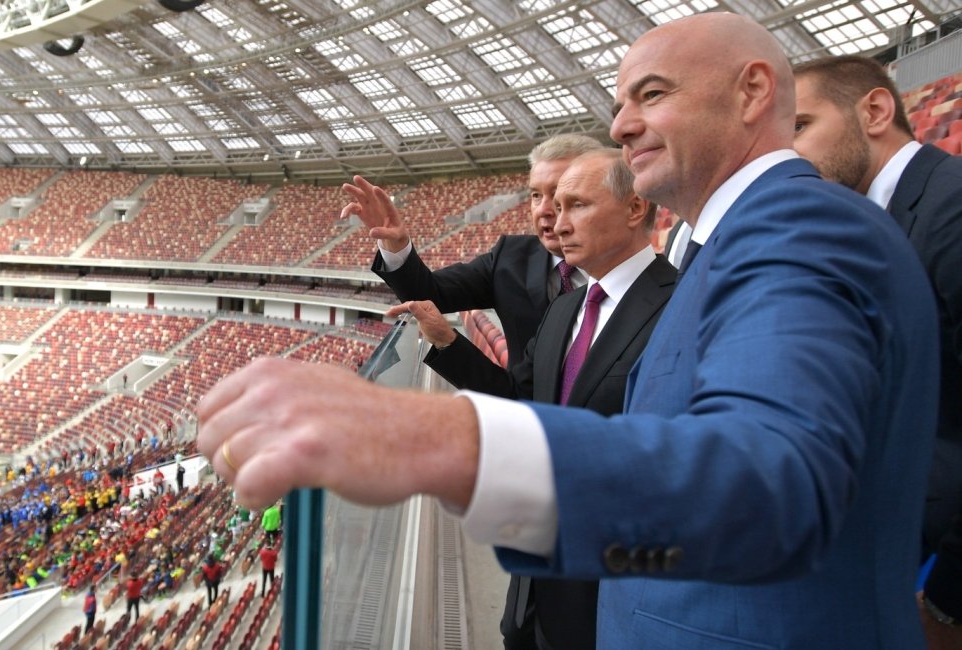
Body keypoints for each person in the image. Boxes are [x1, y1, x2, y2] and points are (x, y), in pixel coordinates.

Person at [196, 12, 938, 649]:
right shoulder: (732, 243)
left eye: (652, 94)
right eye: (619, 104)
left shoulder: (798, 223)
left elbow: (776, 485)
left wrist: (442, 438)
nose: (620, 125)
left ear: (752, 91)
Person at [387, 148, 674, 650]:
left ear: (634, 208)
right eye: (550, 205)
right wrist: (446, 342)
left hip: (607, 594)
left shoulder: (679, 305)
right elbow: (519, 400)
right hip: (532, 591)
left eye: (576, 205)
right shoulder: (566, 309)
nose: (556, 223)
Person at [789, 55, 962, 650]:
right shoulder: (877, 220)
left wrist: (949, 601)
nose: (787, 153)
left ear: (876, 111)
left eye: (800, 126)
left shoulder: (952, 207)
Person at [357, 134, 605, 399]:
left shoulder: (634, 281)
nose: (543, 209)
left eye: (557, 193)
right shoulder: (510, 258)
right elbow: (428, 292)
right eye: (535, 195)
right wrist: (395, 246)